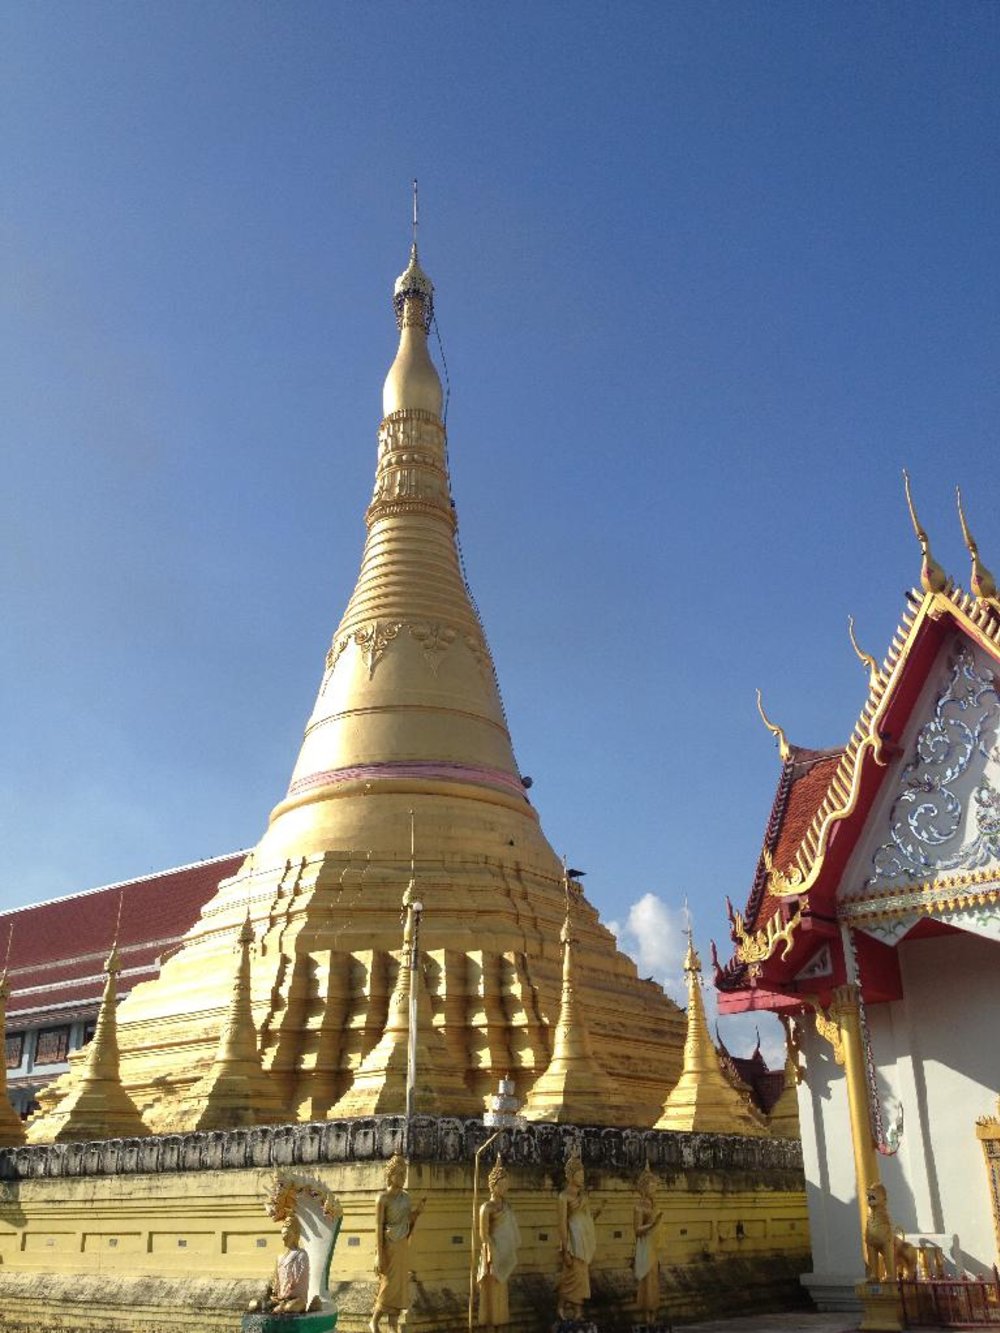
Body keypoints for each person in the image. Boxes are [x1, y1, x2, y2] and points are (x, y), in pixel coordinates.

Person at [370, 1154, 424, 1333]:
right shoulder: (382, 1199)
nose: (402, 1178)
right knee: (388, 1284)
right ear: (390, 1175)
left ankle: (393, 1325)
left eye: (404, 1174)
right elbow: (378, 1227)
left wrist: (417, 1213)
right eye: (399, 1174)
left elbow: (407, 1221)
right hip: (388, 1246)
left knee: (400, 1286)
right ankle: (374, 1321)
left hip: (401, 1245)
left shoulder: (406, 1198)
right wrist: (379, 1254)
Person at [556, 1151, 601, 1321]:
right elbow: (562, 1224)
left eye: (583, 1175)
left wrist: (595, 1215)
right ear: (570, 1176)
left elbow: (586, 1219)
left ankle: (577, 1312)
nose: (582, 1178)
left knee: (582, 1279)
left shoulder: (583, 1196)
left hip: (584, 1243)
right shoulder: (563, 1197)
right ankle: (560, 1306)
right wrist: (565, 1249)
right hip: (572, 1245)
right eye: (579, 1175)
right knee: (570, 1278)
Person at [478, 1158, 521, 1326]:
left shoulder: (507, 1207)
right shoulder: (486, 1208)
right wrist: (492, 1255)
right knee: (491, 1293)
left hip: (503, 1254)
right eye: (502, 1184)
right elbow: (484, 1235)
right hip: (492, 1255)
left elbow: (510, 1230)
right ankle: (490, 1325)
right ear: (493, 1185)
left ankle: (501, 1325)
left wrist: (504, 1251)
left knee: (502, 1293)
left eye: (506, 1185)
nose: (505, 1188)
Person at [248, 1213, 310, 1314]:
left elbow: (300, 1282)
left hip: (295, 1299)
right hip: (279, 1299)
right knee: (254, 1305)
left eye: (286, 1235)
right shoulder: (280, 1258)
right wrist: (273, 1293)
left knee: (287, 1308)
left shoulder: (301, 1255)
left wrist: (285, 1296)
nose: (283, 1238)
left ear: (295, 1235)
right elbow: (275, 1281)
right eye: (282, 1235)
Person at [633, 1164, 663, 1317]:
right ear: (644, 1189)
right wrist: (653, 1224)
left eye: (655, 1187)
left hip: (653, 1248)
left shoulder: (654, 1206)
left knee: (654, 1280)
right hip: (644, 1248)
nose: (654, 1190)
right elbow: (637, 1230)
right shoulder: (639, 1208)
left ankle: (653, 1313)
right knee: (647, 1281)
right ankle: (646, 1314)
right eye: (651, 1187)